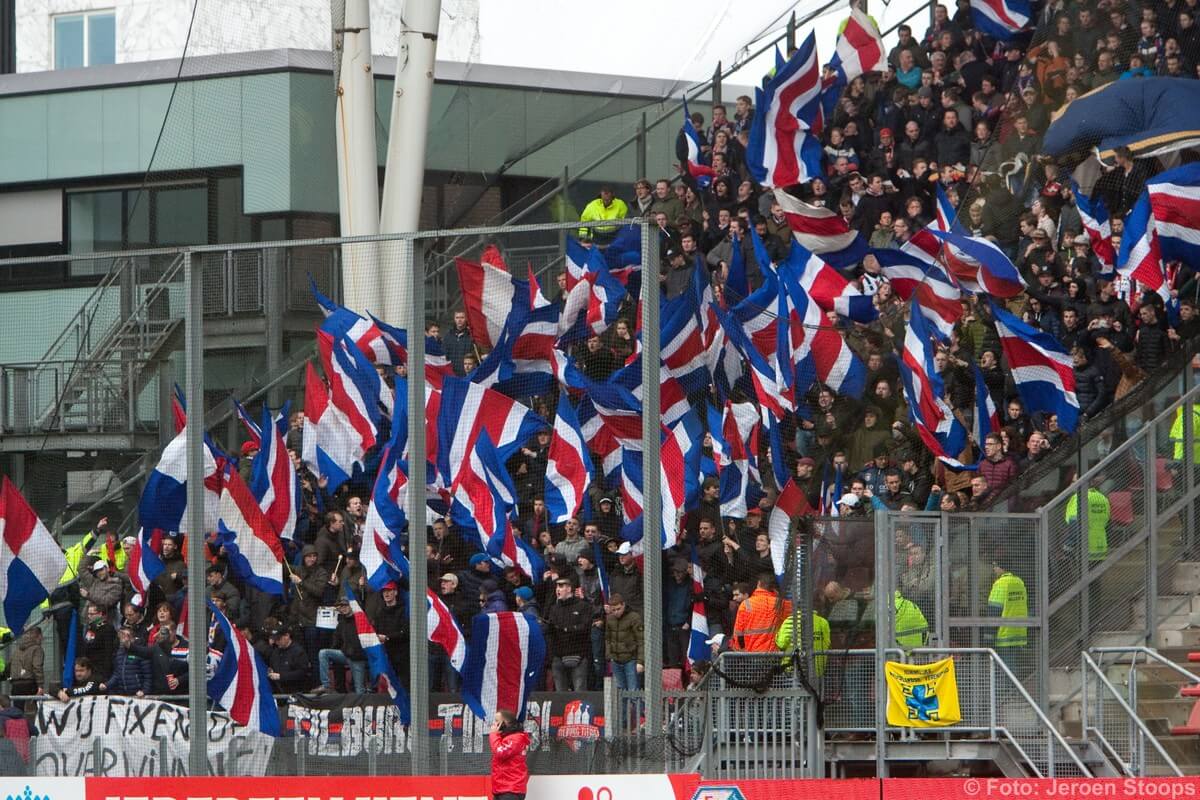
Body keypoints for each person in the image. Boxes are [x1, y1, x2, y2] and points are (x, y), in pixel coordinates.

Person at [987, 554, 1029, 674]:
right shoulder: (1019, 582)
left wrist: (989, 635)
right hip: (1019, 632)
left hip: (1004, 634)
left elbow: (994, 610)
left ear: (1001, 567)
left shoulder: (1001, 584)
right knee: (1013, 666)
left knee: (1005, 669)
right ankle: (1012, 690)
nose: (994, 569)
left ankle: (1007, 691)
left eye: (995, 566)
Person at [603, 592, 644, 690]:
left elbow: (641, 640)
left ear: (623, 605)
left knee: (633, 691)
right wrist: (609, 655)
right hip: (615, 660)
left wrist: (640, 662)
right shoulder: (609, 618)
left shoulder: (634, 617)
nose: (616, 612)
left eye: (618, 609)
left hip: (631, 660)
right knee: (620, 691)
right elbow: (607, 638)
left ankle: (638, 706)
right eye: (613, 610)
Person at [489, 709, 531, 800]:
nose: (493, 724)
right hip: (501, 789)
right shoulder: (505, 738)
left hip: (511, 790)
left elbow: (501, 752)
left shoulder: (516, 738)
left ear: (505, 723)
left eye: (497, 721)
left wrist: (493, 734)